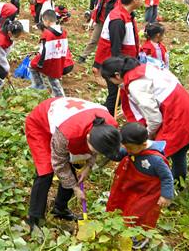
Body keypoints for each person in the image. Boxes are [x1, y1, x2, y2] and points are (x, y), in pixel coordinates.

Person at [100, 56, 189, 182]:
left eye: (109, 79)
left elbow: (155, 119)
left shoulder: (136, 85)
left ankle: (174, 185)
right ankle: (175, 182)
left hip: (178, 118)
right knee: (179, 153)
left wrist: (147, 135)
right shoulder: (144, 69)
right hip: (187, 111)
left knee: (170, 153)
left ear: (117, 75)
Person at [25, 97, 120, 232]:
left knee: (71, 170)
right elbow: (59, 163)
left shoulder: (110, 128)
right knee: (45, 171)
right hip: (40, 123)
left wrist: (88, 166)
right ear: (87, 138)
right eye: (95, 150)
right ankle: (34, 219)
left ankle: (60, 208)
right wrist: (75, 188)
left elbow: (97, 149)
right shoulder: (67, 134)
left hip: (74, 123)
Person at [106, 123, 173, 246]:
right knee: (125, 206)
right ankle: (123, 229)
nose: (128, 151)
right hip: (134, 187)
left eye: (130, 148)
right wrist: (108, 151)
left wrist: (166, 195)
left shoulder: (156, 160)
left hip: (149, 192)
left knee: (139, 213)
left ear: (143, 145)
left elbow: (167, 177)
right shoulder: (133, 149)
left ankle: (139, 235)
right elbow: (120, 154)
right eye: (126, 147)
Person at [94, 0, 142, 114]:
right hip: (115, 66)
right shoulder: (118, 20)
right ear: (135, 0)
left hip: (122, 62)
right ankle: (103, 119)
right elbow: (116, 51)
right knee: (115, 97)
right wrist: (122, 70)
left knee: (118, 96)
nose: (141, 1)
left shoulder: (126, 14)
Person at [30, 10, 70, 97]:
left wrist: (39, 63)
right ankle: (57, 95)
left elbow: (44, 51)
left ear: (47, 21)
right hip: (60, 57)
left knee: (32, 66)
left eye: (44, 21)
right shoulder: (63, 31)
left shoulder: (47, 34)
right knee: (53, 78)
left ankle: (39, 86)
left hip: (49, 59)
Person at [79, 0, 119, 64]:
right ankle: (83, 56)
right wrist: (92, 20)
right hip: (100, 22)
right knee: (93, 40)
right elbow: (97, 8)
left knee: (110, 42)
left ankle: (110, 61)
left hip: (110, 24)